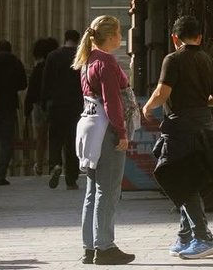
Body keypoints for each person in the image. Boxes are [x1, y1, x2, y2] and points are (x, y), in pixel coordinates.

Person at [142, 16, 213, 260]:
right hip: (205, 126)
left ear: (174, 38)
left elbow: (162, 92)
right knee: (189, 178)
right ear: (199, 37)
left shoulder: (173, 59)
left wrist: (148, 107)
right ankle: (185, 236)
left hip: (181, 128)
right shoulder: (209, 61)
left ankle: (203, 237)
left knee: (180, 179)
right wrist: (200, 103)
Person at [73, 16, 134, 266]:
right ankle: (105, 246)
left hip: (90, 129)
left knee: (92, 190)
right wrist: (121, 132)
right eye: (120, 32)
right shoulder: (106, 61)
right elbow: (112, 101)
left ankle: (90, 246)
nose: (122, 36)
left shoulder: (88, 60)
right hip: (107, 131)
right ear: (109, 36)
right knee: (108, 191)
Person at [41, 28, 83, 190]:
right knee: (73, 141)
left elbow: (46, 81)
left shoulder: (53, 56)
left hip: (57, 105)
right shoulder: (82, 57)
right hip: (77, 106)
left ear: (64, 39)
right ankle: (71, 180)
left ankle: (55, 164)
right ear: (78, 40)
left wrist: (44, 102)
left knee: (56, 138)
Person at [0, 39, 28, 185]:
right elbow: (23, 84)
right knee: (6, 141)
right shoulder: (15, 62)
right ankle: (1, 174)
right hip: (8, 105)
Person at [24, 36, 58, 174]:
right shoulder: (56, 68)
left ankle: (39, 164)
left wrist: (27, 108)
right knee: (55, 135)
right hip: (55, 104)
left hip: (39, 105)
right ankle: (54, 163)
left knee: (40, 136)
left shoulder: (38, 69)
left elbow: (31, 89)